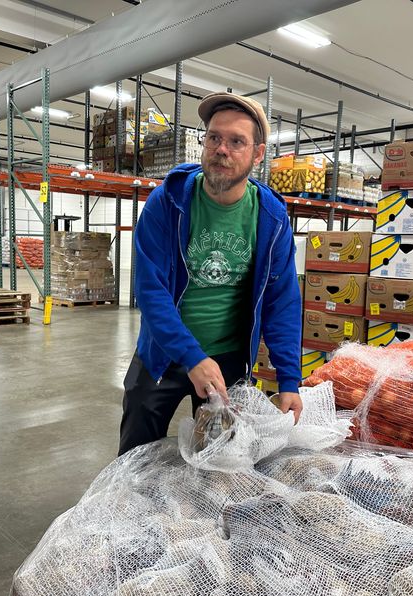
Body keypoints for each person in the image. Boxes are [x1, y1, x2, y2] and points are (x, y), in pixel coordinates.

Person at [118, 92, 303, 456]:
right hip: (163, 353)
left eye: (237, 142)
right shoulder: (167, 203)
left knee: (218, 462)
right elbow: (151, 290)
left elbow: (282, 302)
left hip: (229, 360)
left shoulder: (271, 218)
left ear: (258, 154)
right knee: (134, 456)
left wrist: (289, 380)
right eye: (214, 138)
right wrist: (192, 357)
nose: (222, 149)